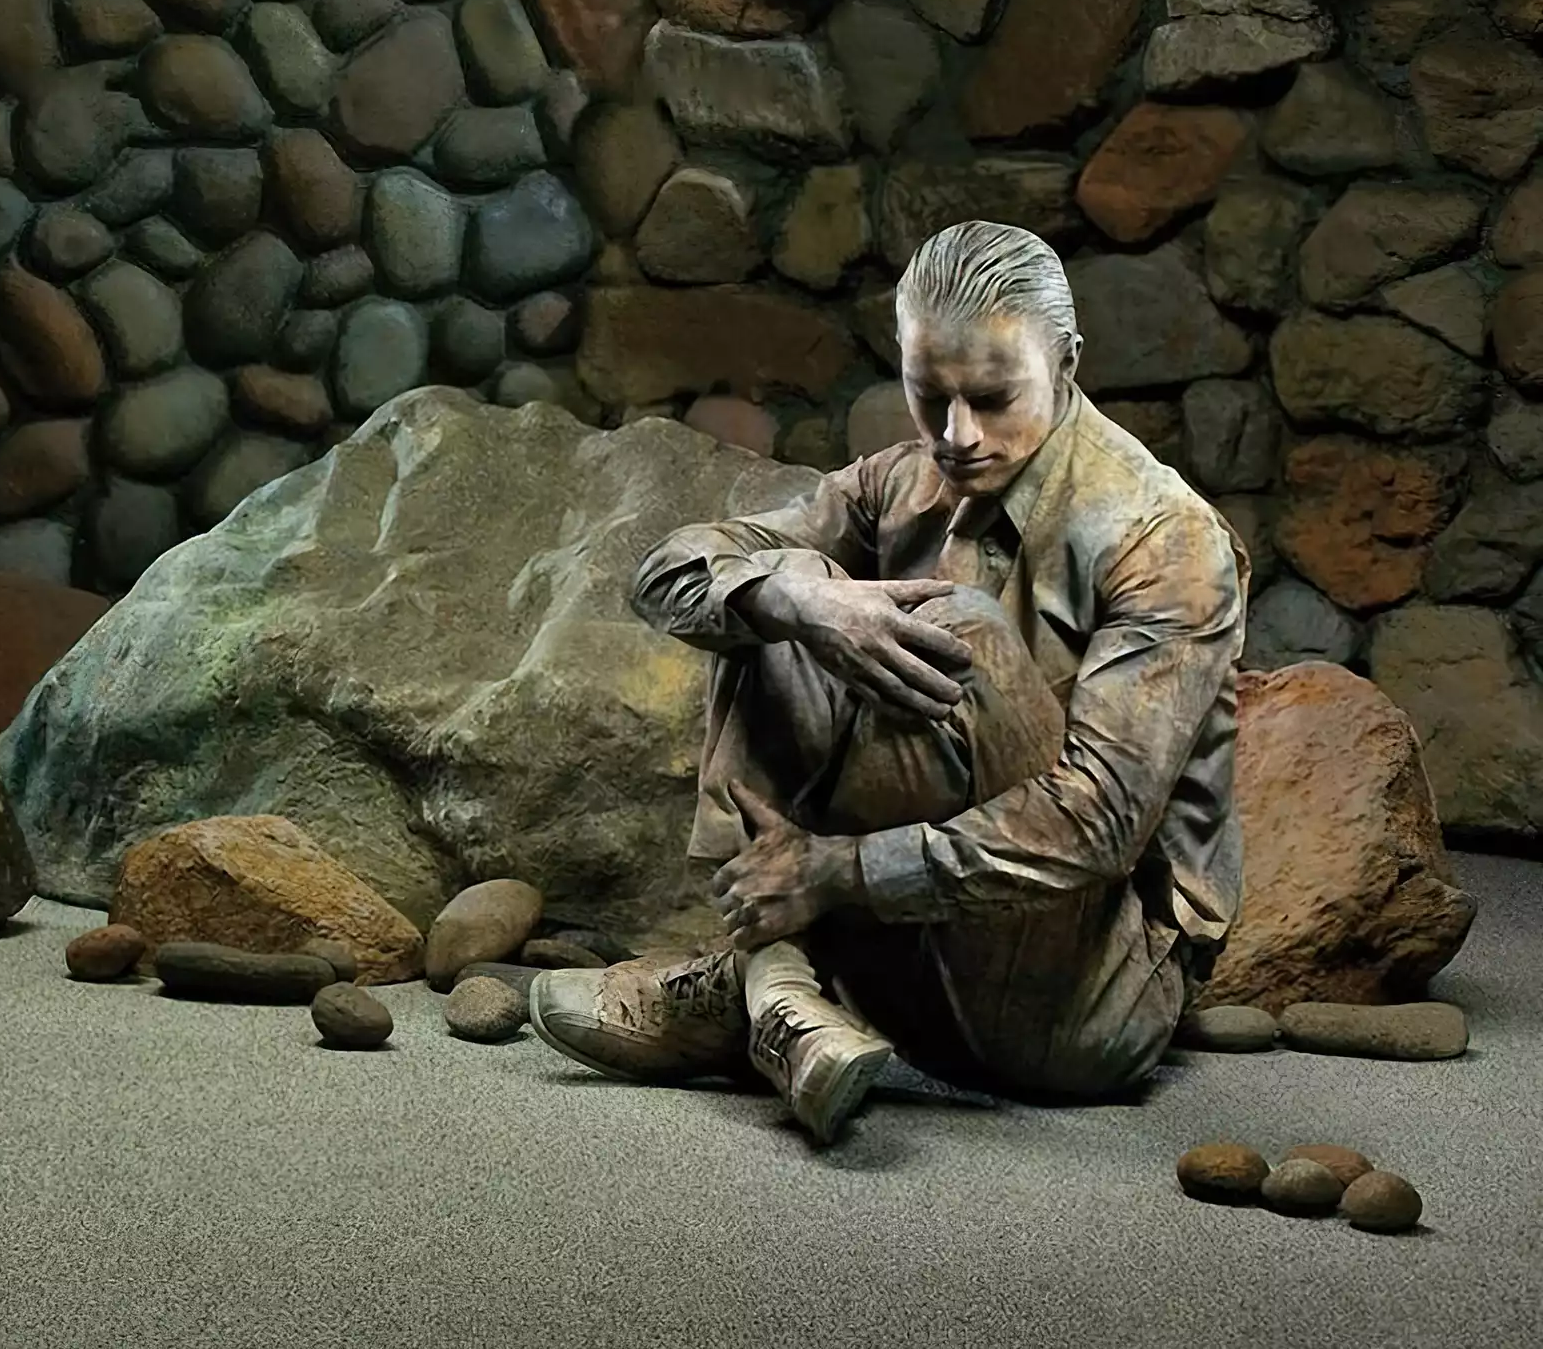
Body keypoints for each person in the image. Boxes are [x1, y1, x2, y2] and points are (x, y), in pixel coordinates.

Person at [527, 220, 1251, 1146]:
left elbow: (1101, 822)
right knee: (779, 582)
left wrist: (835, 871)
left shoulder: (1163, 538)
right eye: (929, 395)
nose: (958, 435)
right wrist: (794, 602)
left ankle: (765, 977)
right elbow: (666, 571)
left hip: (1083, 997)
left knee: (957, 627)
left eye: (994, 397)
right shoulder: (898, 483)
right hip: (920, 938)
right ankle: (786, 990)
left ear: (1068, 363)